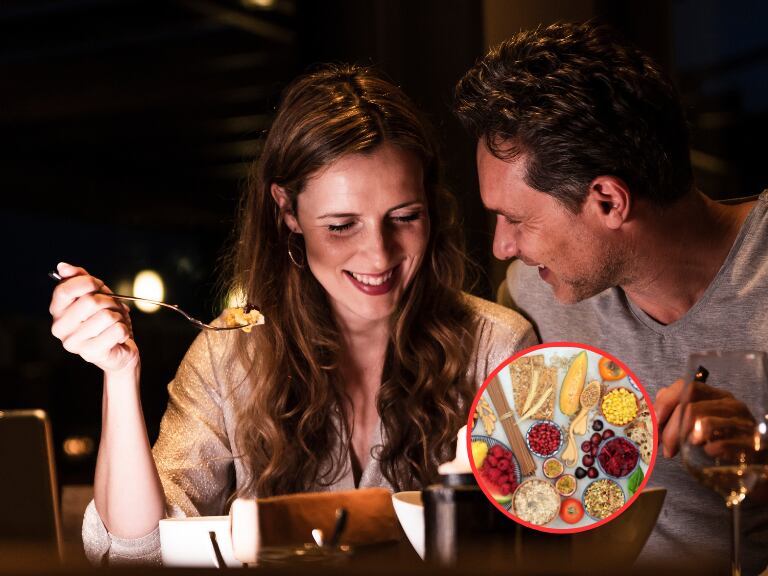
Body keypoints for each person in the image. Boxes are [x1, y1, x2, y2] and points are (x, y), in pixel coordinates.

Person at [49, 64, 536, 565]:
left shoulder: (498, 349)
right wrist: (119, 373)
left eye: (405, 217)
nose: (379, 255)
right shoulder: (229, 354)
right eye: (342, 225)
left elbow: (540, 544)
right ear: (287, 211)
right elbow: (138, 551)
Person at [454, 22, 768, 574]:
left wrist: (759, 468)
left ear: (608, 201)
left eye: (516, 219)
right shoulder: (534, 294)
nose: (502, 247)